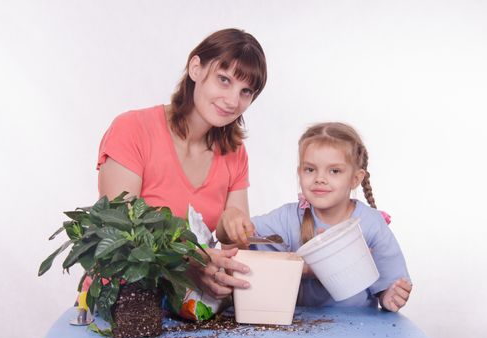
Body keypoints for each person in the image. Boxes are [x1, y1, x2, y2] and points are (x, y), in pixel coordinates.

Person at [95, 28, 267, 299]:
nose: (233, 101)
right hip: (124, 301)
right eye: (224, 80)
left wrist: (230, 222)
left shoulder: (235, 152)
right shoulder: (132, 130)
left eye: (246, 91)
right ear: (196, 68)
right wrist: (190, 262)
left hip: (186, 307)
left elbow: (232, 249)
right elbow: (119, 235)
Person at [216, 122, 412, 311]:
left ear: (355, 178)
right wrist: (229, 221)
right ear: (299, 172)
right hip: (299, 329)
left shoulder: (371, 224)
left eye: (334, 171)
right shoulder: (288, 218)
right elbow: (236, 240)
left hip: (358, 329)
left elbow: (390, 284)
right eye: (310, 169)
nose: (320, 178)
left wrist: (389, 296)